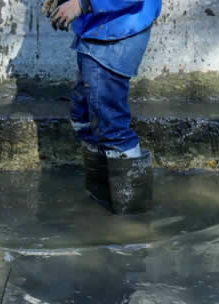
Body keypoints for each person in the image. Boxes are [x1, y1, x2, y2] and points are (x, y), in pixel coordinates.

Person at [43, 0, 162, 214]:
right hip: (98, 29)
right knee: (84, 116)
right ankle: (104, 196)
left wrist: (83, 4)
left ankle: (132, 215)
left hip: (117, 32)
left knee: (110, 124)